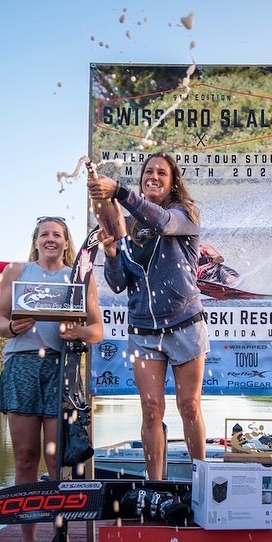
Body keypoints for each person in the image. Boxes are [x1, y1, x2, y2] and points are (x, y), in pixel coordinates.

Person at [88, 152, 208, 480]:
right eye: (148, 172)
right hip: (143, 330)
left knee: (189, 406)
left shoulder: (184, 214)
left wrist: (121, 193)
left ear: (173, 182)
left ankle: (201, 481)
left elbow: (164, 223)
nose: (153, 177)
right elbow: (118, 283)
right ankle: (156, 486)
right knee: (151, 410)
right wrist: (112, 253)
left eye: (161, 173)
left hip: (184, 323)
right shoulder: (130, 226)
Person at [0, 216, 102, 542]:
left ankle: (60, 539)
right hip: (22, 365)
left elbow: (96, 330)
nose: (51, 239)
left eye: (57, 234)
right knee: (25, 457)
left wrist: (78, 333)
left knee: (57, 460)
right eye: (44, 234)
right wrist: (12, 326)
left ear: (67, 242)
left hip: (62, 368)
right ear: (36, 240)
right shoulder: (16, 272)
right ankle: (27, 541)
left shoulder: (80, 277)